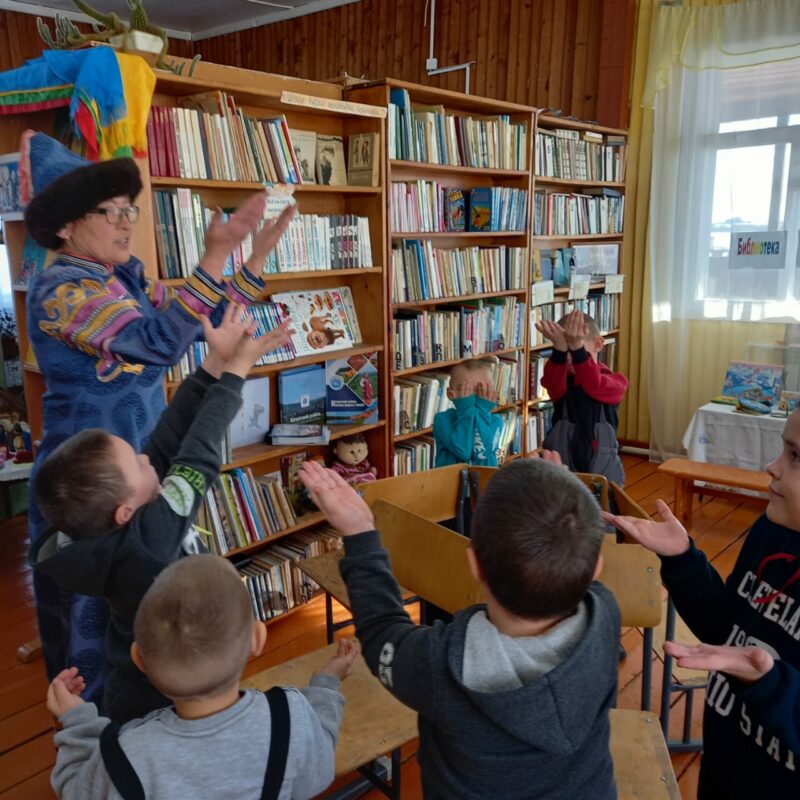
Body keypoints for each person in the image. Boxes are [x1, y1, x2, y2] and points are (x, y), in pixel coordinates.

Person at [21, 130, 296, 703]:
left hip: (142, 461)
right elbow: (154, 343)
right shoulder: (59, 290)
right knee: (95, 624)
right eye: (110, 211)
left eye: (131, 210)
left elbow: (197, 321)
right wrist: (215, 255)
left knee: (156, 611)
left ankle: (167, 715)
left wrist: (252, 261)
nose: (126, 223)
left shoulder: (126, 275)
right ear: (65, 225)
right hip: (92, 480)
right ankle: (94, 729)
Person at [30, 304, 292, 723]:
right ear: (125, 511)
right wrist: (236, 372)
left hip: (146, 680)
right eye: (136, 463)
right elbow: (198, 453)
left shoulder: (112, 524)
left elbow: (169, 436)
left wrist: (214, 362)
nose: (145, 457)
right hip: (167, 704)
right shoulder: (148, 545)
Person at [299, 457, 621, 800]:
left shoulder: (441, 665)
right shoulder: (605, 616)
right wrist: (563, 501)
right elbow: (569, 550)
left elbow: (382, 632)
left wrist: (360, 533)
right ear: (595, 570)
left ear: (474, 564)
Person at [604, 408, 800, 799]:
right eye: (783, 449)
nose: (772, 466)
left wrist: (770, 684)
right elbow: (724, 628)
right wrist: (682, 559)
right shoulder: (771, 530)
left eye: (795, 457)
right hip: (723, 773)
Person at [46, 555, 356, 800]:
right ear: (257, 639)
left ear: (138, 658)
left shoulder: (127, 754)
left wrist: (78, 724)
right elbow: (317, 774)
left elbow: (77, 789)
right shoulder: (290, 716)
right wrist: (327, 684)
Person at [536, 308, 627, 484]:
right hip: (562, 465)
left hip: (601, 469)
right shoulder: (563, 381)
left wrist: (576, 349)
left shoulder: (616, 381)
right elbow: (550, 382)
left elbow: (593, 384)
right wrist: (559, 351)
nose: (571, 358)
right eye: (567, 352)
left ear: (598, 344)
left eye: (577, 350)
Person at [432, 359, 503, 467]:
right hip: (450, 478)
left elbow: (481, 454)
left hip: (485, 478)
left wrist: (483, 412)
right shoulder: (442, 420)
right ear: (450, 394)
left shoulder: (496, 422)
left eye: (481, 390)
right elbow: (463, 451)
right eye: (465, 389)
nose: (473, 397)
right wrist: (466, 411)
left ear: (493, 395)